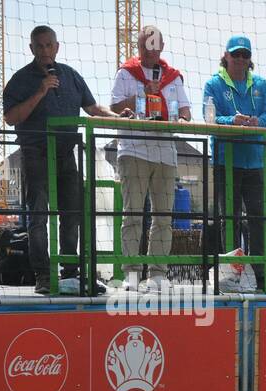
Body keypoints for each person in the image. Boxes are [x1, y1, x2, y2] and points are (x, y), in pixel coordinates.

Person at [3, 25, 127, 294]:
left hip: (66, 153)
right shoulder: (21, 80)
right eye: (40, 46)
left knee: (74, 212)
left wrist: (118, 118)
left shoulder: (71, 75)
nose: (45, 51)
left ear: (57, 47)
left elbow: (93, 108)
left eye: (49, 45)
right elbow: (11, 118)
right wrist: (41, 91)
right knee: (38, 215)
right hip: (35, 152)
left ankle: (71, 273)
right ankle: (44, 276)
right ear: (32, 48)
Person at [110, 25, 189, 289]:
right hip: (134, 151)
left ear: (162, 47)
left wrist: (181, 118)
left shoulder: (173, 77)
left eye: (155, 46)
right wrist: (140, 95)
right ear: (139, 47)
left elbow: (185, 111)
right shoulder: (126, 73)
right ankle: (131, 274)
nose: (151, 50)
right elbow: (113, 107)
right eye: (146, 45)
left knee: (163, 216)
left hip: (165, 153)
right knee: (133, 214)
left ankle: (157, 274)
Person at [203, 35, 266, 287]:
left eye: (245, 55)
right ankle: (231, 276)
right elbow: (209, 118)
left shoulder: (261, 84)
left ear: (250, 59)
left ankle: (262, 276)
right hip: (226, 162)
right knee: (229, 218)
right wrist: (230, 121)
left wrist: (258, 121)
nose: (241, 60)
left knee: (258, 219)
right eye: (236, 55)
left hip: (255, 162)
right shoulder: (213, 84)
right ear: (226, 56)